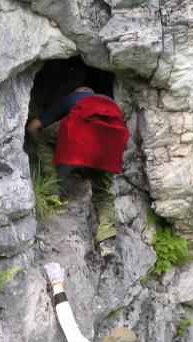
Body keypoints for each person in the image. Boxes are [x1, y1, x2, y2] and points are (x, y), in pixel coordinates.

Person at [26, 86, 130, 258]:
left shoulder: (72, 99)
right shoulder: (110, 104)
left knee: (45, 138)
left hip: (82, 127)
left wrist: (58, 147)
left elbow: (33, 127)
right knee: (102, 192)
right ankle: (107, 242)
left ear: (78, 93)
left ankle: (53, 192)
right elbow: (97, 141)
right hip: (113, 139)